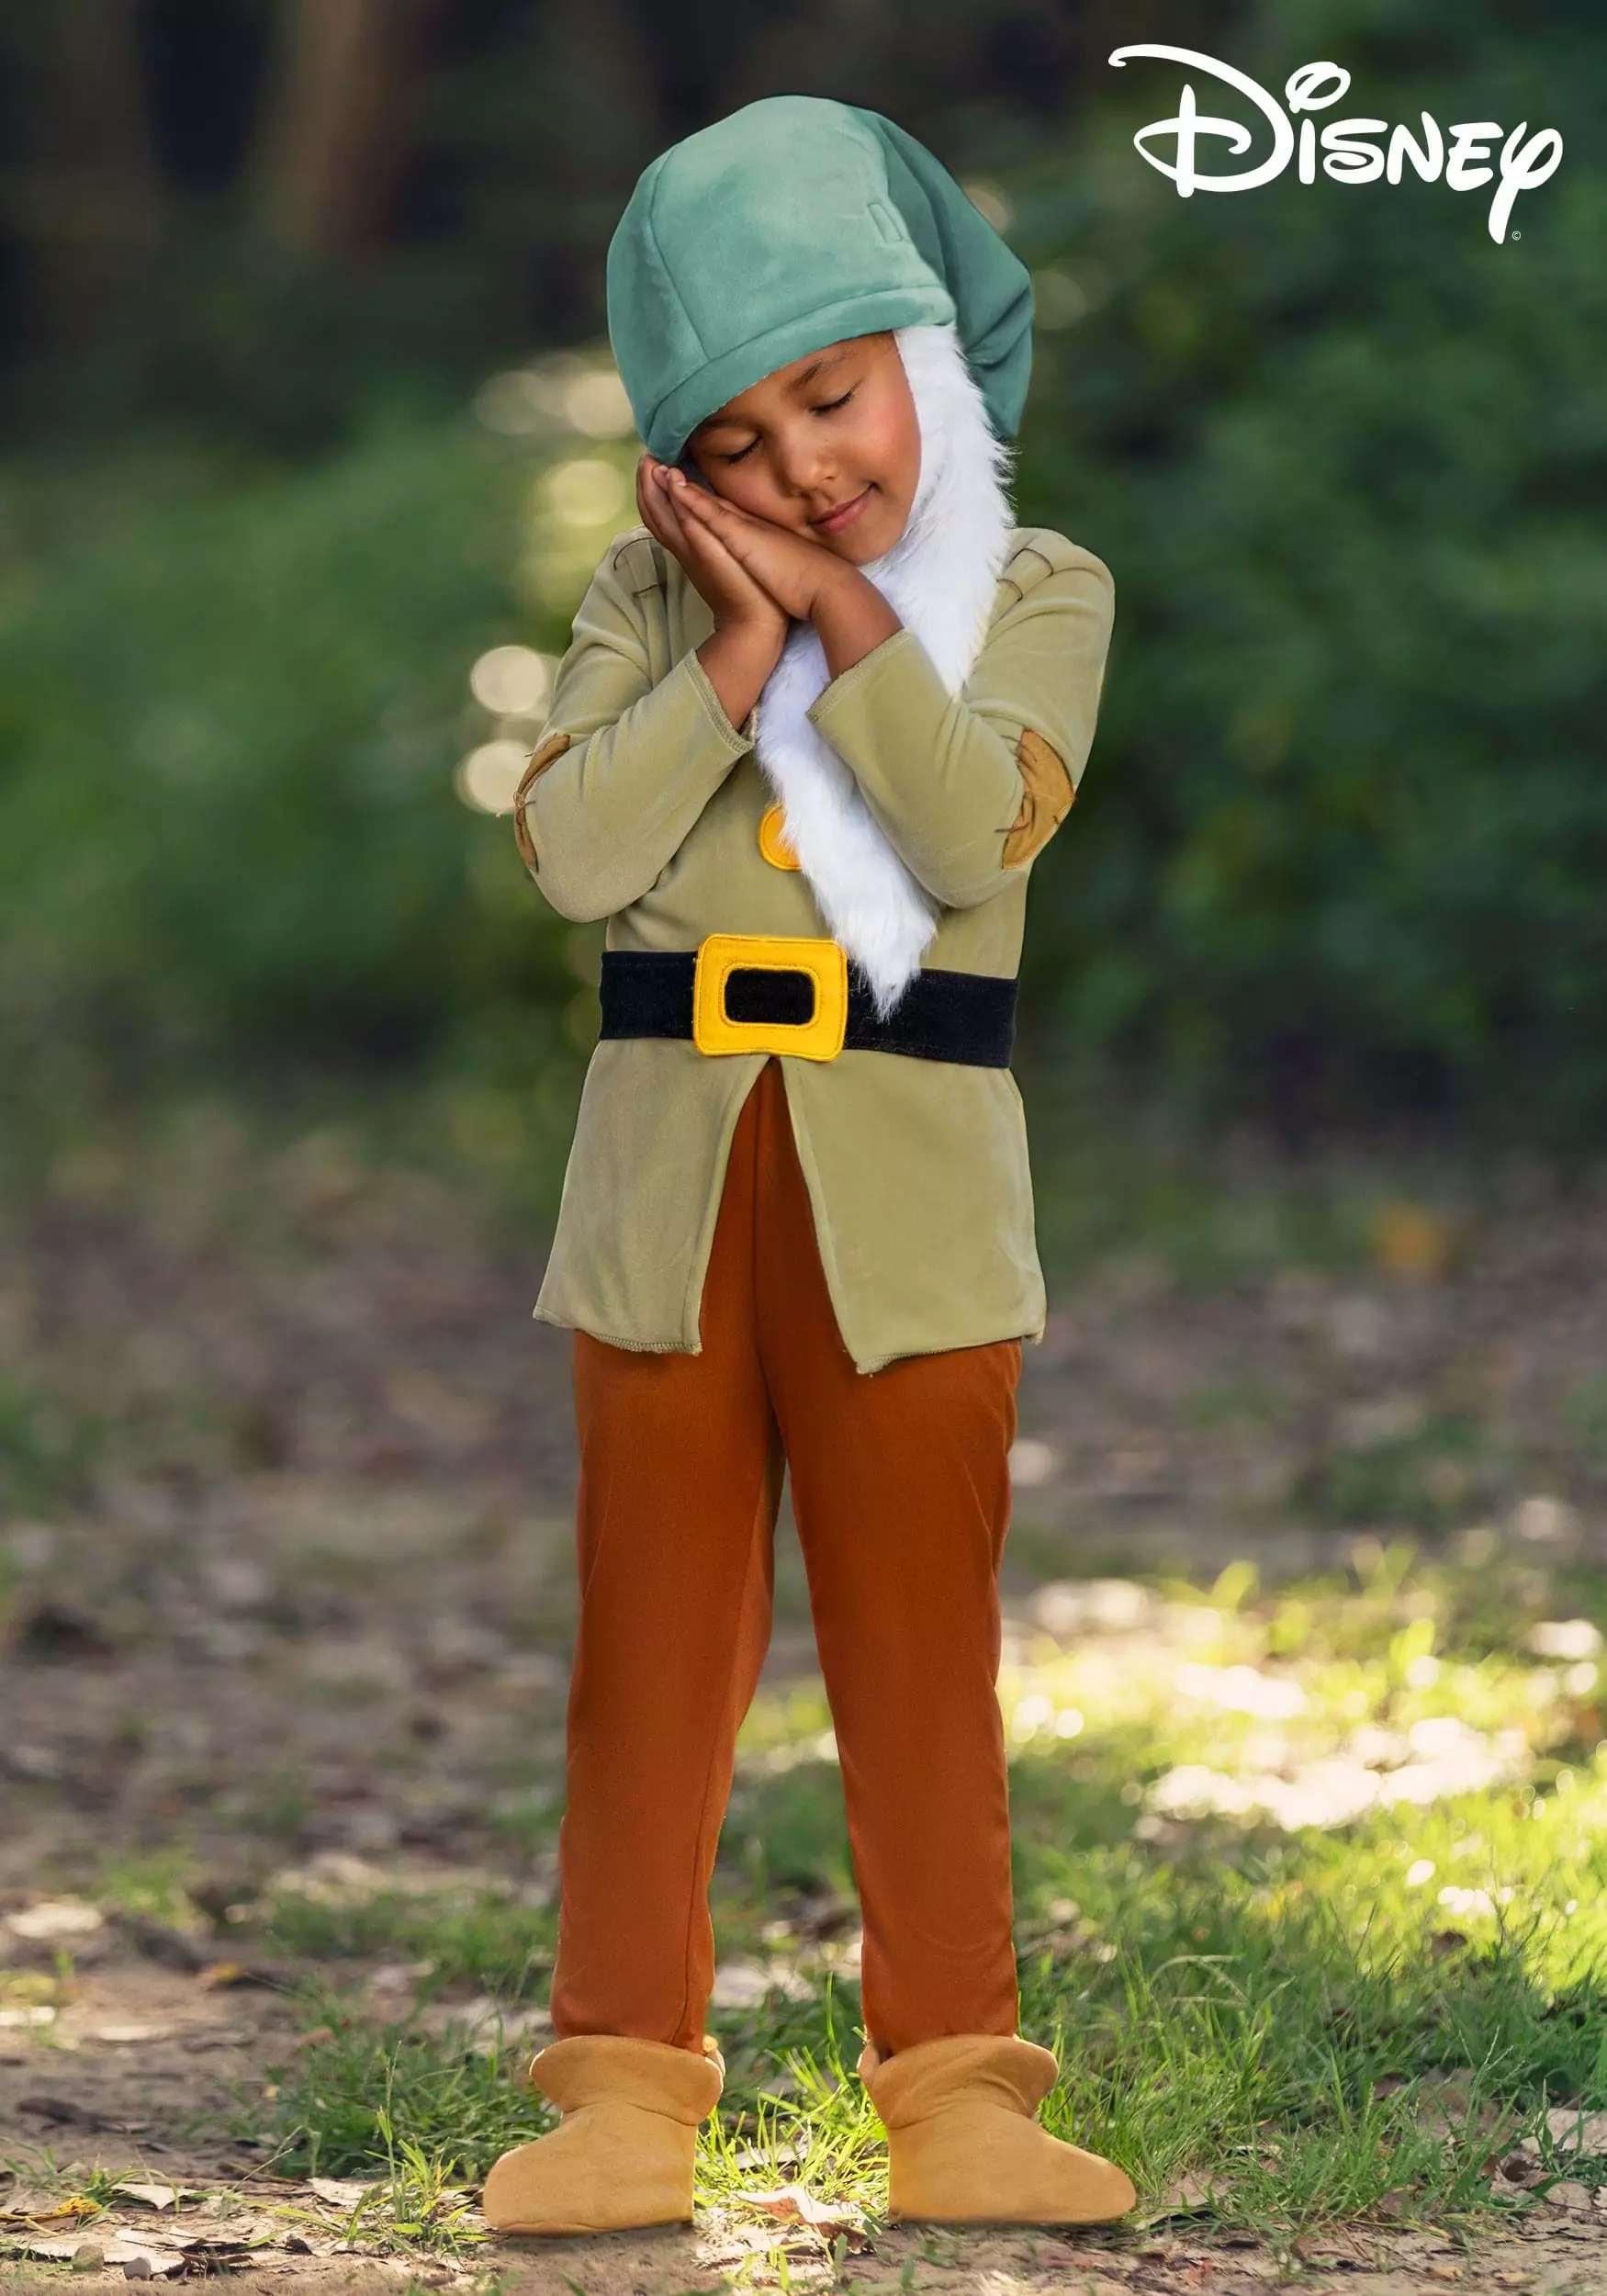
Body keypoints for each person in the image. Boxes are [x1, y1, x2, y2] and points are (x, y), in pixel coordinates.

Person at [478, 93, 1132, 2238]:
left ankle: (957, 2089)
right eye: (736, 445)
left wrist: (847, 624)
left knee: (918, 1650)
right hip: (666, 1196)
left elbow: (966, 830)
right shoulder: (641, 602)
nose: (801, 469)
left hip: (913, 1196)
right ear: (678, 473)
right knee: (650, 1653)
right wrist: (732, 651)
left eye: (833, 396)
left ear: (927, 352)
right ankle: (617, 2086)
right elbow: (575, 848)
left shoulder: (1035, 589)